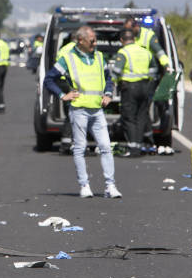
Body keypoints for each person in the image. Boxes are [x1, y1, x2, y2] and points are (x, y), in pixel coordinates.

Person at [43, 25, 122, 198]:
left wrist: (108, 94)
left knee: (106, 147)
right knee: (80, 148)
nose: (95, 43)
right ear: (80, 41)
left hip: (97, 110)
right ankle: (84, 185)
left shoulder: (100, 57)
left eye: (95, 40)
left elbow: (108, 78)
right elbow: (49, 80)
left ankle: (110, 186)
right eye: (92, 40)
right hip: (79, 110)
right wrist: (63, 95)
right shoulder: (68, 59)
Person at [124, 18, 173, 152]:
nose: (127, 32)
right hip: (134, 80)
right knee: (139, 111)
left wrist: (167, 66)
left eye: (129, 29)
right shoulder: (130, 38)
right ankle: (143, 139)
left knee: (143, 109)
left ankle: (146, 139)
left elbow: (160, 52)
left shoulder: (147, 36)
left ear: (136, 26)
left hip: (148, 79)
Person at [113, 28, 152, 157]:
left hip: (130, 88)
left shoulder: (123, 52)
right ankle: (139, 146)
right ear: (134, 39)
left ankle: (133, 147)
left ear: (122, 40)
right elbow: (153, 70)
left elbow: (117, 71)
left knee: (129, 117)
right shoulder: (146, 52)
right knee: (141, 116)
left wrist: (112, 83)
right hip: (145, 87)